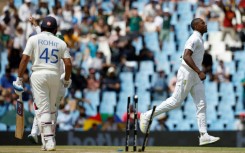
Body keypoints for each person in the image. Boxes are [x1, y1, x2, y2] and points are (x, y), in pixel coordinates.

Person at [139, 18, 220, 146]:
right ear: (196, 26)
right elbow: (186, 55)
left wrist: (197, 72)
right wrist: (199, 71)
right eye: (202, 23)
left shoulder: (199, 38)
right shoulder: (194, 38)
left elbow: (185, 56)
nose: (205, 25)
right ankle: (147, 115)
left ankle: (203, 135)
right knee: (176, 102)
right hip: (188, 74)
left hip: (194, 76)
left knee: (201, 103)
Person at [12, 16, 72, 151]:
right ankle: (46, 142)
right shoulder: (60, 42)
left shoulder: (34, 39)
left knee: (43, 110)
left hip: (39, 75)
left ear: (42, 28)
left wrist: (19, 79)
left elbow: (25, 59)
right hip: (55, 76)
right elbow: (68, 64)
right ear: (55, 29)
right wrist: (67, 79)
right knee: (50, 110)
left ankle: (49, 140)